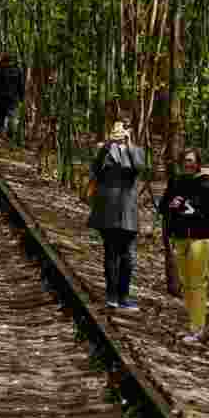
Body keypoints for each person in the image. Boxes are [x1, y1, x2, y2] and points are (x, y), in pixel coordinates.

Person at [158, 148, 209, 342]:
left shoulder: (207, 184)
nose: (188, 164)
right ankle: (193, 326)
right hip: (179, 238)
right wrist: (172, 204)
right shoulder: (176, 181)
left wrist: (190, 210)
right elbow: (163, 206)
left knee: (197, 283)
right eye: (185, 160)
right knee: (186, 284)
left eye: (191, 161)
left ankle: (198, 328)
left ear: (198, 163)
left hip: (200, 239)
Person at [87, 120, 146, 310]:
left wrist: (128, 144)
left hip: (128, 209)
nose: (121, 131)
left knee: (128, 256)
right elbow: (95, 169)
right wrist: (106, 146)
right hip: (108, 208)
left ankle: (124, 295)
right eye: (118, 128)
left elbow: (138, 168)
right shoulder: (103, 149)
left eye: (125, 128)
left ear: (130, 130)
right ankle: (111, 294)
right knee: (111, 252)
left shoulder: (136, 150)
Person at [0, 53, 24, 137]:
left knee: (1, 115)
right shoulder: (17, 70)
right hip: (13, 98)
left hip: (0, 98)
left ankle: (0, 132)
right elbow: (20, 86)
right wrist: (21, 98)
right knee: (11, 115)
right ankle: (9, 133)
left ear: (3, 61)